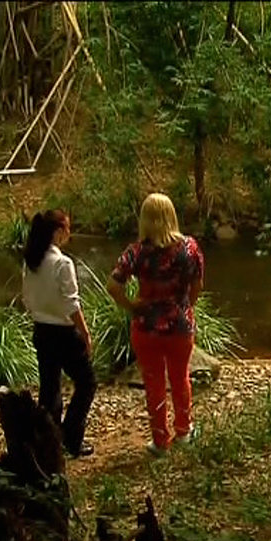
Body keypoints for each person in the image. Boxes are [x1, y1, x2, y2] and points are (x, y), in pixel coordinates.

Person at [107, 193, 204, 457]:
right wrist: (186, 306)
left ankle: (160, 441)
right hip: (180, 326)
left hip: (146, 327)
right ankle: (184, 431)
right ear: (171, 216)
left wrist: (132, 306)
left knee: (154, 383)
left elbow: (113, 285)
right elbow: (198, 284)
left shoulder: (136, 252)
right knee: (180, 378)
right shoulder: (189, 248)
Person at [21, 209, 96, 457]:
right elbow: (71, 304)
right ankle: (70, 437)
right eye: (67, 228)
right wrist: (85, 333)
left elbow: (27, 298)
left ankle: (48, 441)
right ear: (57, 232)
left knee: (50, 387)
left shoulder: (32, 261)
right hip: (63, 333)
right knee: (87, 382)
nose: (69, 234)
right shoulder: (62, 263)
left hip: (41, 329)